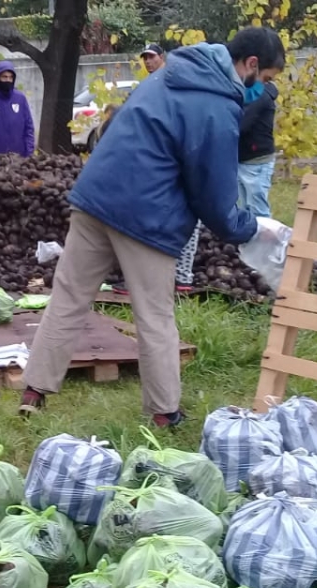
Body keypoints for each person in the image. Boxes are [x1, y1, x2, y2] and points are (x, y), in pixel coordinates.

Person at [17, 28, 289, 428]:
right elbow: (213, 196)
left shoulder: (169, 72)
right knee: (155, 316)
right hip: (145, 217)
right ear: (250, 65)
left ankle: (33, 392)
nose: (262, 90)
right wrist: (247, 228)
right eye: (264, 80)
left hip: (95, 197)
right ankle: (164, 413)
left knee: (69, 297)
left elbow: (113, 129)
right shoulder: (216, 107)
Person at [238, 80, 280, 218]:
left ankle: (264, 238)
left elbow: (242, 125)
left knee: (258, 210)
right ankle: (250, 238)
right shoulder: (248, 91)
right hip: (243, 158)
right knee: (245, 208)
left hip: (257, 161)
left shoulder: (259, 96)